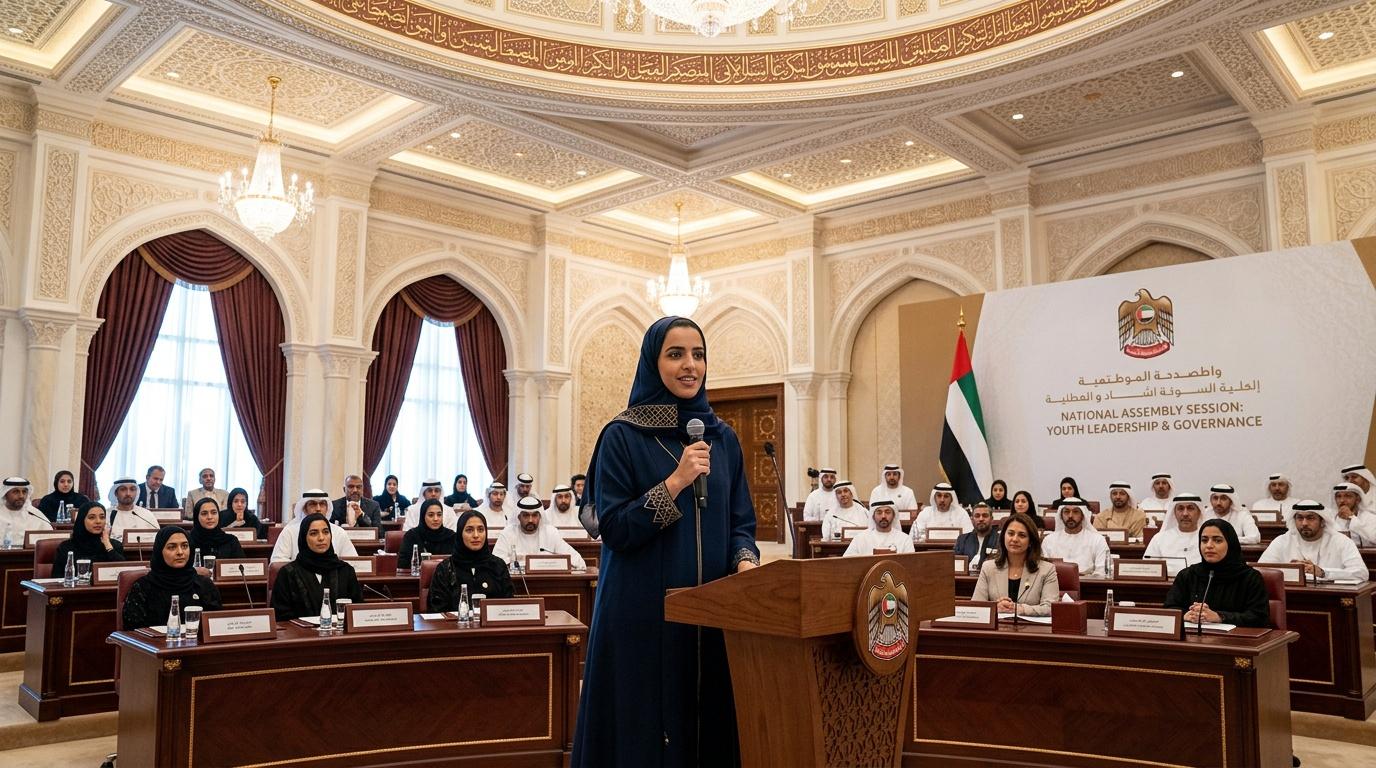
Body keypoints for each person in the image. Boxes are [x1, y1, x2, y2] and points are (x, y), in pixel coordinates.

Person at [573, 316, 759, 767]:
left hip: (711, 615)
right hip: (642, 613)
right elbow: (615, 528)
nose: (690, 365)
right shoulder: (622, 436)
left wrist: (745, 562)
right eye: (675, 354)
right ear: (652, 363)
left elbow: (741, 522)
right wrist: (675, 483)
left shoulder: (723, 439)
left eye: (698, 355)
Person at [1163, 519, 1269, 628]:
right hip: (1191, 636)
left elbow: (1259, 617)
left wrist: (1219, 617)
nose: (1209, 545)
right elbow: (1169, 609)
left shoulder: (1250, 577)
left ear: (1230, 544)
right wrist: (1186, 615)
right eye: (1204, 540)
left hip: (1235, 638)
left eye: (1217, 540)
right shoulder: (1188, 575)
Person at [121, 527, 222, 630]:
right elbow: (133, 631)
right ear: (160, 551)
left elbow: (216, 626)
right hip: (155, 640)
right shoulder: (143, 587)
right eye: (172, 547)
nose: (180, 552)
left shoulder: (204, 584)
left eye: (185, 546)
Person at [270, 513, 364, 621]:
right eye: (314, 533)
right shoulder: (288, 573)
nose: (321, 538)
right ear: (304, 538)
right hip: (299, 631)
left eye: (326, 532)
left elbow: (357, 612)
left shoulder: (345, 571)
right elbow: (280, 617)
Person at [972, 512, 1058, 616]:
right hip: (998, 625)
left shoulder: (1047, 570)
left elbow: (1051, 608)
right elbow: (976, 606)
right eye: (1011, 533)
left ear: (1031, 541)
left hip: (1030, 626)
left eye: (1022, 535)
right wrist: (995, 607)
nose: (1015, 539)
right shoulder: (988, 568)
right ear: (1003, 536)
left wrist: (1020, 609)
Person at [1258, 501, 1368, 581]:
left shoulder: (1341, 541)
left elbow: (1361, 573)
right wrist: (1292, 571)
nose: (1304, 523)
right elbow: (1260, 570)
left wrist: (1323, 572)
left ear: (1322, 522)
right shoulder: (1282, 541)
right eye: (1300, 518)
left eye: (1310, 518)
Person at [427, 510, 514, 611]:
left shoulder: (498, 565)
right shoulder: (445, 568)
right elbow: (436, 609)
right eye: (469, 530)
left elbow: (509, 606)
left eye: (480, 530)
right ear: (460, 533)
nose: (476, 535)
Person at [495, 496, 587, 569]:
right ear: (519, 517)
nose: (530, 520)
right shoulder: (507, 533)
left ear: (540, 516)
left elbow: (578, 561)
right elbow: (495, 563)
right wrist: (518, 560)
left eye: (535, 515)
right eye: (526, 515)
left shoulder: (551, 533)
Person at [270, 490, 359, 562]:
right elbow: (277, 561)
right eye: (313, 504)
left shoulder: (339, 532)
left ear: (327, 509)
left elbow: (353, 561)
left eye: (322, 504)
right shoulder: (289, 531)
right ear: (304, 509)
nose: (318, 509)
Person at [1041, 497, 1108, 575]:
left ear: (1083, 516)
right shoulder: (1049, 540)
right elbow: (1043, 570)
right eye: (1066, 512)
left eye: (1075, 512)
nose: (1070, 516)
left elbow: (1102, 571)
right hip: (1055, 581)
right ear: (1061, 516)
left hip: (1088, 582)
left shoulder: (1097, 540)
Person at [1145, 494, 1206, 575]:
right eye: (1180, 509)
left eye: (1190, 508)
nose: (1185, 514)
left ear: (1199, 512)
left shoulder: (1207, 538)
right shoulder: (1159, 538)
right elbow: (1148, 569)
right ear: (1174, 513)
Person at [54, 501, 125, 567]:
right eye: (92, 517)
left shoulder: (114, 545)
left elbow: (122, 571)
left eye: (102, 517)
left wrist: (107, 545)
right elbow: (57, 575)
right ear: (82, 520)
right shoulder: (66, 547)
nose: (98, 521)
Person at [399, 499, 458, 570]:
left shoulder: (451, 536)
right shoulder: (412, 536)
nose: (436, 519)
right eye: (431, 515)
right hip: (418, 576)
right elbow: (402, 564)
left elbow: (459, 562)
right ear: (423, 516)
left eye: (439, 515)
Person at [841, 500, 914, 556]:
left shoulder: (905, 539)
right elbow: (847, 561)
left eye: (887, 512)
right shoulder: (860, 538)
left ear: (894, 516)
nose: (883, 516)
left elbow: (910, 563)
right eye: (879, 513)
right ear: (873, 516)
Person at [953, 502, 1000, 569]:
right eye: (977, 516)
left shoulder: (1000, 539)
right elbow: (956, 564)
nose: (981, 519)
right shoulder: (962, 540)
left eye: (985, 516)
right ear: (972, 519)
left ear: (991, 519)